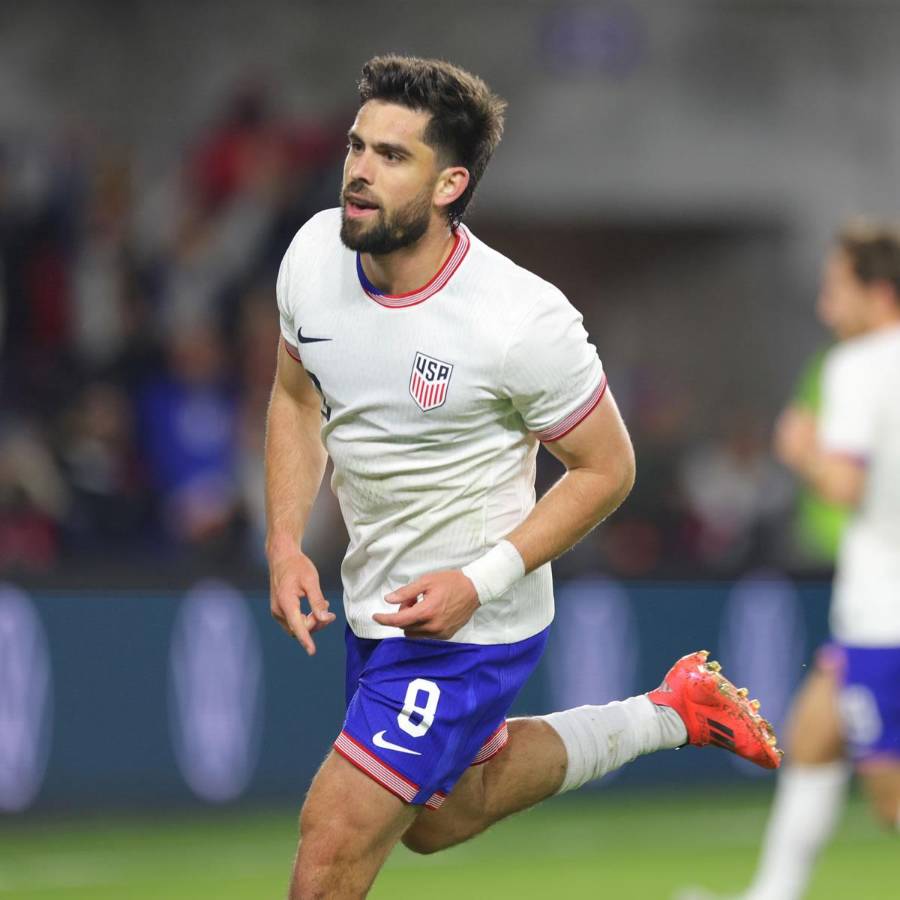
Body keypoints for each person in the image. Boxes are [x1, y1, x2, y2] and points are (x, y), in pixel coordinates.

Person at [265, 55, 780, 900]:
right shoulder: (313, 256)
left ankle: (666, 711)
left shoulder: (518, 320)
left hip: (469, 626)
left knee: (329, 852)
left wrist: (479, 580)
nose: (359, 170)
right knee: (435, 820)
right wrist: (285, 538)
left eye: (393, 156)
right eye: (358, 146)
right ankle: (670, 712)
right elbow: (293, 398)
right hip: (375, 598)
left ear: (449, 184)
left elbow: (608, 469)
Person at [680, 220, 900, 900]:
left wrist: (802, 448)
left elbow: (845, 486)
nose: (825, 306)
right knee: (813, 731)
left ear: (878, 291)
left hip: (885, 617)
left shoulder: (860, 365)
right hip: (876, 609)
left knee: (891, 799)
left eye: (837, 288)